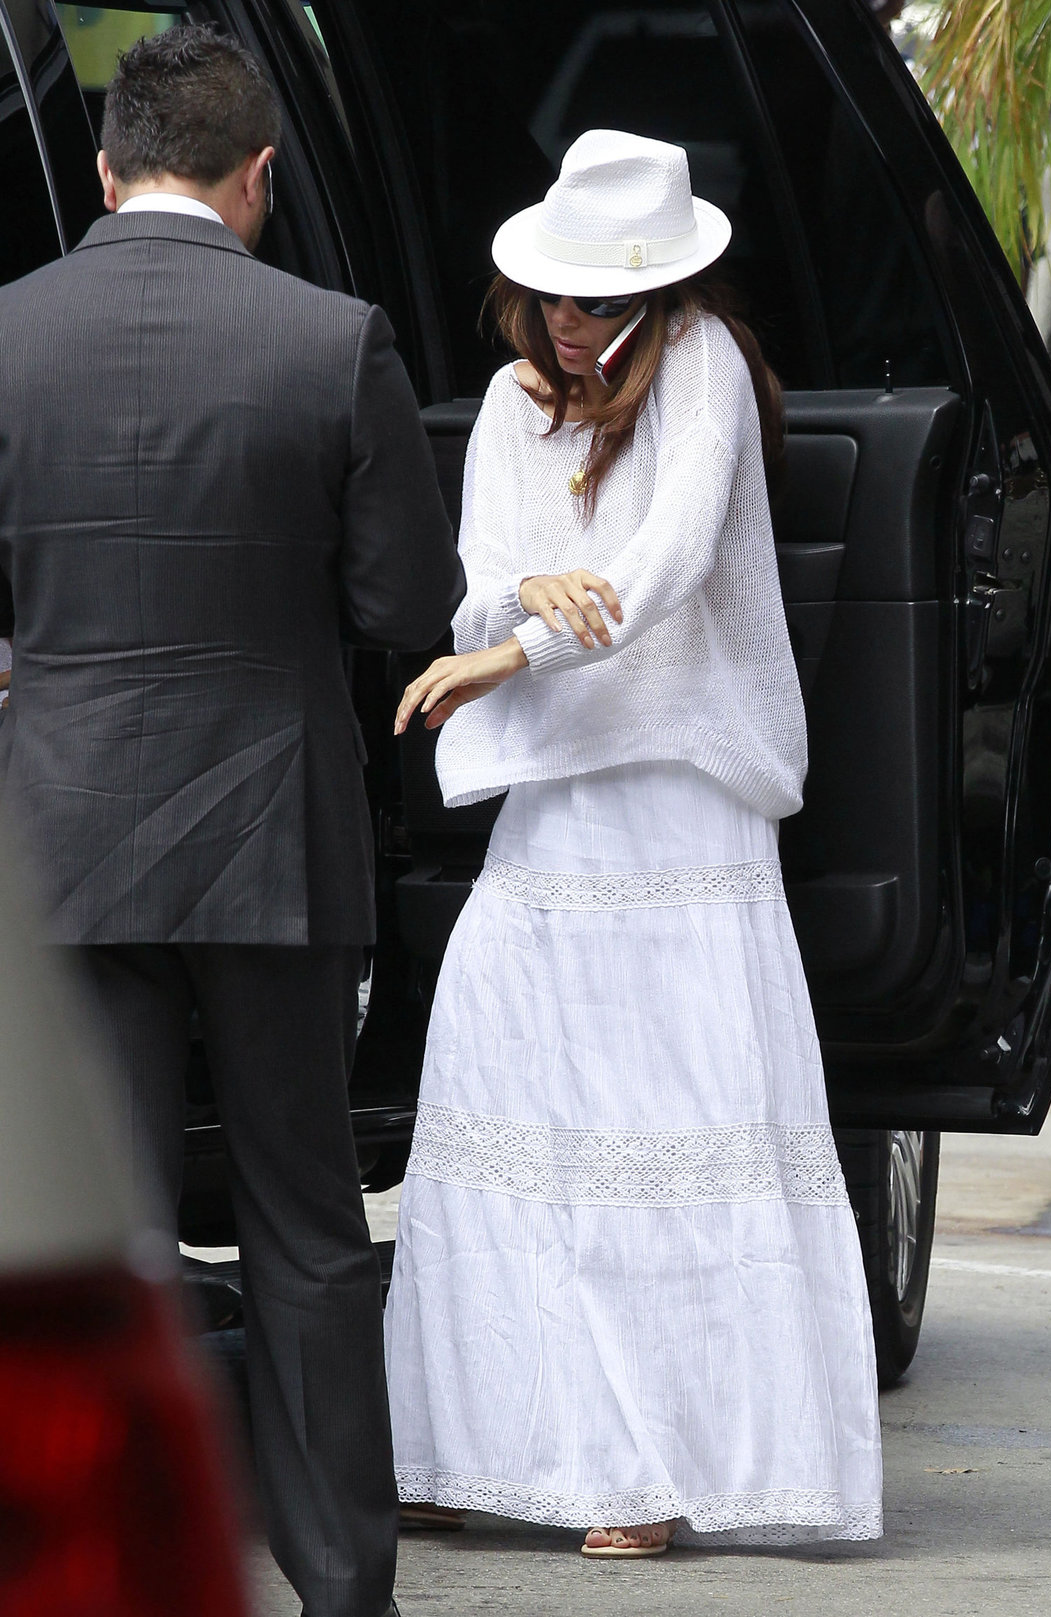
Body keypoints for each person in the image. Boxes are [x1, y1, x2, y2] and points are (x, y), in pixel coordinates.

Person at [0, 25, 463, 1617]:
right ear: (259, 174)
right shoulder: (333, 340)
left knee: (93, 1242)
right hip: (274, 836)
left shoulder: (8, 334)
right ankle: (341, 1587)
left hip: (63, 839)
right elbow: (407, 603)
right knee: (305, 1224)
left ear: (106, 170)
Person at [384, 129, 882, 1555]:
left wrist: (516, 648)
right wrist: (513, 609)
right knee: (507, 1092)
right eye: (556, 292)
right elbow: (482, 578)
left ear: (659, 296)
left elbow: (661, 567)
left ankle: (656, 1472)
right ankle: (489, 1446)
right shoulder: (508, 401)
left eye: (598, 299)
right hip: (558, 785)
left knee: (666, 1119)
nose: (568, 319)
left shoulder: (706, 367)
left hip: (680, 782)